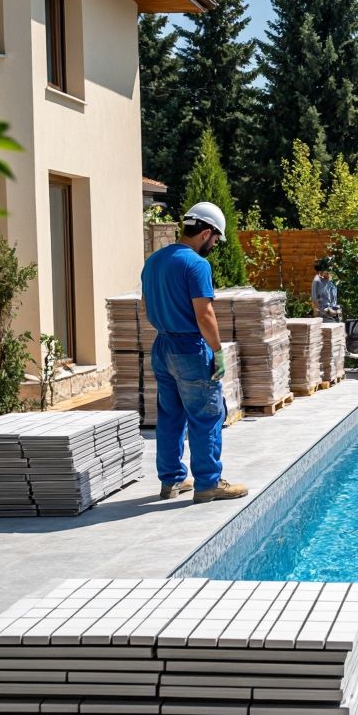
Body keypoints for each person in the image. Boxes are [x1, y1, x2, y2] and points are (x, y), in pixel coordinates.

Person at [141, 201, 248, 504]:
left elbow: (146, 307)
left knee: (170, 416)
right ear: (206, 232)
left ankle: (172, 480)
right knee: (207, 415)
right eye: (216, 239)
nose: (215, 245)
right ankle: (207, 483)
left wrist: (168, 326)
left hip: (162, 346)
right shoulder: (197, 265)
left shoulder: (154, 261)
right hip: (190, 348)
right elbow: (205, 315)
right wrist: (217, 350)